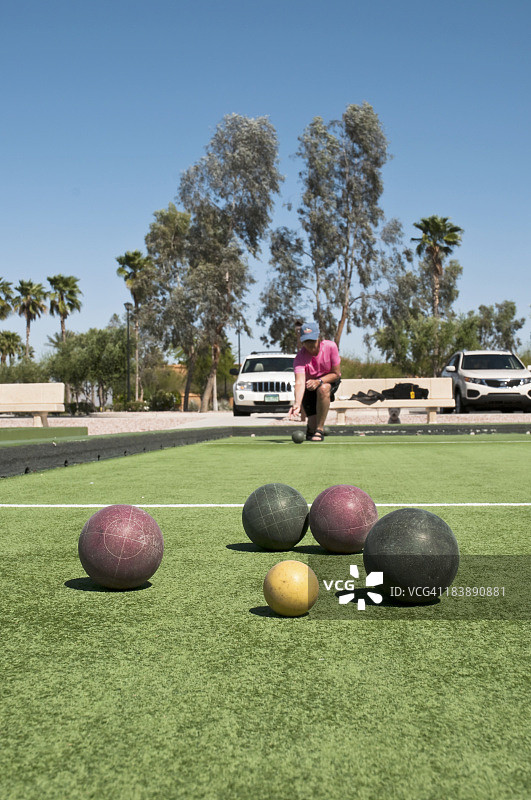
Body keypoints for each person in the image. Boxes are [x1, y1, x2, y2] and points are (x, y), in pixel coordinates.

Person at [288, 322, 341, 441]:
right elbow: (300, 382)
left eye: (312, 340)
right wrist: (297, 403)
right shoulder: (299, 358)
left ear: (319, 338)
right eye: (306, 341)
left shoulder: (331, 347)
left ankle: (320, 429)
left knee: (323, 389)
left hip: (329, 379)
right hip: (309, 385)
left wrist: (319, 381)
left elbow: (336, 374)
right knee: (311, 428)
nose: (310, 345)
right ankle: (312, 428)